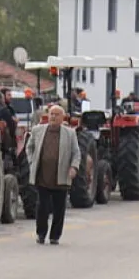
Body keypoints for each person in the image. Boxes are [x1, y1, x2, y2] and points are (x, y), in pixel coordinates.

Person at [24, 105, 81, 245]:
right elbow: (29, 147)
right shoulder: (38, 131)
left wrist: (74, 167)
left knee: (59, 208)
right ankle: (41, 234)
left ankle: (55, 236)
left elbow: (76, 153)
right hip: (42, 176)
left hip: (60, 177)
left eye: (56, 114)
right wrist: (32, 161)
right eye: (51, 114)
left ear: (63, 118)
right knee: (42, 206)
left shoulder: (70, 133)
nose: (53, 117)